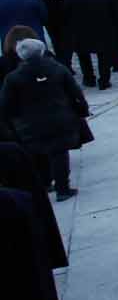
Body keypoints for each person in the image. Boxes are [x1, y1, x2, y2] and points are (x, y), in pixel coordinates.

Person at [0, 37, 89, 200]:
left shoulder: (13, 78)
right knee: (59, 153)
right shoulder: (57, 68)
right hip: (60, 118)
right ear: (42, 51)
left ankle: (45, 184)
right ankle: (63, 189)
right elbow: (75, 92)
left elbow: (6, 105)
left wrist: (13, 121)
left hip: (29, 124)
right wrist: (81, 109)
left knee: (38, 154)